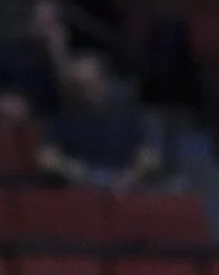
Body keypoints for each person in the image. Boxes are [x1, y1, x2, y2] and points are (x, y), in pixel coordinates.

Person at [40, 51, 161, 191]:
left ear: (104, 81)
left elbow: (149, 157)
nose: (85, 91)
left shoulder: (128, 116)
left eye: (90, 83)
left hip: (124, 189)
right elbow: (47, 158)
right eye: (79, 85)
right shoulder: (62, 119)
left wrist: (128, 177)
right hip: (76, 190)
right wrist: (71, 170)